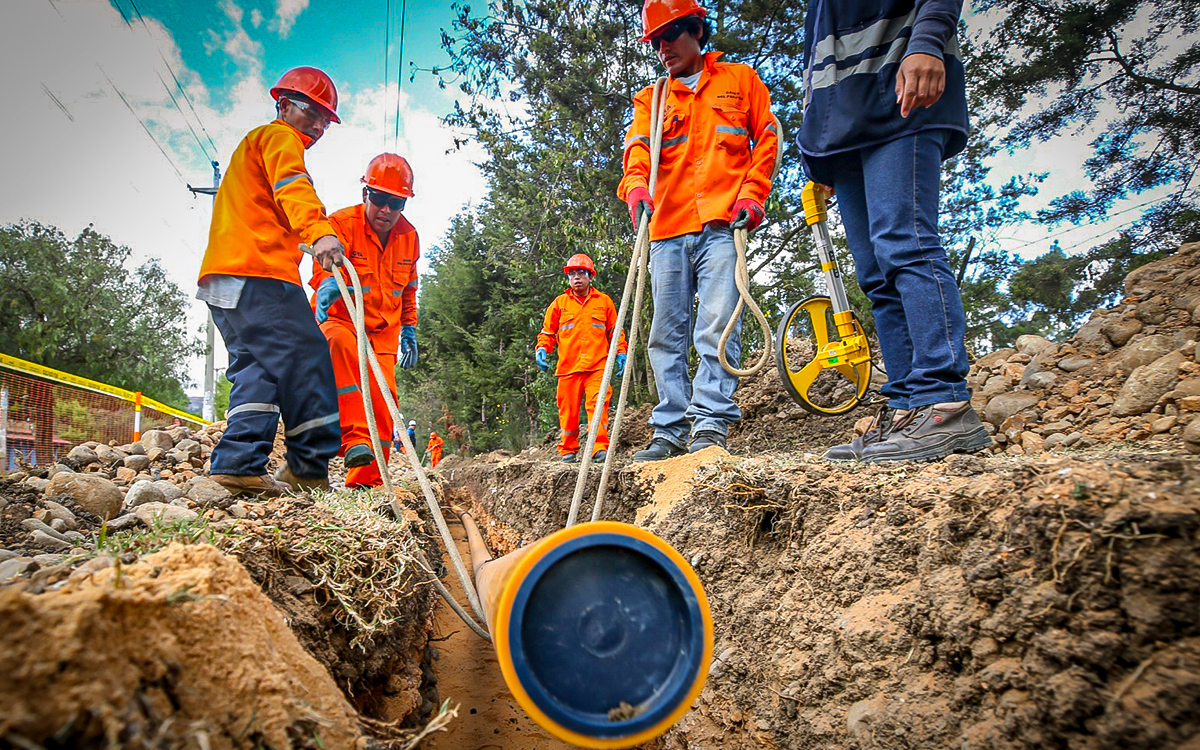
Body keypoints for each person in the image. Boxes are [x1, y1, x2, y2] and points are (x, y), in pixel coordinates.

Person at [799, 1, 992, 463]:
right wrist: (818, 149)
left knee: (905, 245)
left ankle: (944, 401)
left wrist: (926, 42)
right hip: (843, 130)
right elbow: (816, 62)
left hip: (899, 92)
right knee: (875, 275)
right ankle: (908, 406)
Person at [618, 0, 778, 461]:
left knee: (717, 328)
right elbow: (637, 156)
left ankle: (709, 425)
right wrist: (634, 189)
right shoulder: (651, 99)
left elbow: (766, 143)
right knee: (665, 334)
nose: (662, 48)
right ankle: (668, 430)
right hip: (666, 229)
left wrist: (753, 195)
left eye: (670, 36)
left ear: (695, 29)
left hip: (723, 227)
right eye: (655, 42)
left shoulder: (740, 82)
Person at [198, 66, 345, 496]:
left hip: (224, 278)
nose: (317, 126)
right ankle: (309, 466)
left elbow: (271, 203)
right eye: (311, 113)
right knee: (308, 354)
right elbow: (293, 187)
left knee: (258, 368)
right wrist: (319, 232)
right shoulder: (279, 138)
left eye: (324, 119)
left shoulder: (253, 147)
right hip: (257, 274)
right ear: (283, 105)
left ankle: (238, 463)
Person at [311, 153, 421, 488]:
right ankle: (354, 438)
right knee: (338, 345)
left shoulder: (409, 236)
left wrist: (409, 327)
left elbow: (409, 287)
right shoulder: (341, 224)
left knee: (385, 400)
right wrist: (326, 282)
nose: (386, 210)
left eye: (396, 203)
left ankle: (366, 483)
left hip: (384, 331)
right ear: (365, 195)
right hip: (342, 320)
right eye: (380, 199)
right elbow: (320, 267)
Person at [535, 254, 629, 463]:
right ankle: (568, 450)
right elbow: (547, 332)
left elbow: (616, 331)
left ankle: (599, 448)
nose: (577, 277)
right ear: (568, 277)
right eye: (572, 273)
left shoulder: (604, 302)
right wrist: (542, 348)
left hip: (597, 367)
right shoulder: (559, 304)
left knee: (598, 407)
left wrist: (621, 352)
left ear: (590, 276)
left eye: (581, 273)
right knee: (568, 413)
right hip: (568, 369)